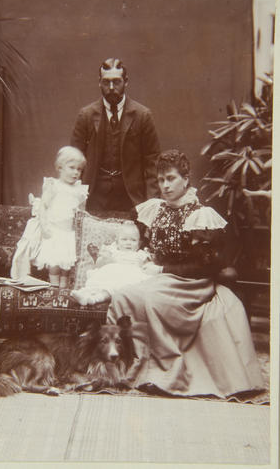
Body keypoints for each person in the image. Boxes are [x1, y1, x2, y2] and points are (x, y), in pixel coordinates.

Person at [107, 149, 264, 398]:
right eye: (161, 180)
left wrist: (162, 269)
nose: (165, 186)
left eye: (171, 179)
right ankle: (125, 367)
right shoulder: (155, 209)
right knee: (122, 296)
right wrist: (149, 259)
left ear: (185, 179)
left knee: (152, 300)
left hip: (192, 282)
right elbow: (152, 247)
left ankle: (164, 372)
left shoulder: (200, 215)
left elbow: (206, 267)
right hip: (160, 277)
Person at [71, 57, 161, 212]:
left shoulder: (142, 115)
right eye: (106, 82)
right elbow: (73, 161)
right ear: (99, 82)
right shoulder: (86, 115)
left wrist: (152, 205)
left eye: (116, 82)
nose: (111, 87)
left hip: (131, 198)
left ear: (126, 82)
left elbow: (153, 163)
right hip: (93, 197)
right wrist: (74, 199)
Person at [10, 146, 88, 288]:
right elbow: (43, 207)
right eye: (72, 168)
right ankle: (54, 285)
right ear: (60, 167)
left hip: (70, 232)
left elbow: (81, 212)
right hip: (55, 231)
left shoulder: (79, 190)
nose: (76, 172)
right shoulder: (54, 185)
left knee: (67, 261)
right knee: (55, 260)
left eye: (79, 169)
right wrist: (45, 226)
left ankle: (63, 286)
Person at [71, 221, 153, 305]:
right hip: (112, 274)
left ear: (139, 244)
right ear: (117, 242)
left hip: (128, 279)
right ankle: (83, 293)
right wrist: (104, 259)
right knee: (98, 283)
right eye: (124, 239)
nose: (128, 243)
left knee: (113, 287)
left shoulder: (140, 255)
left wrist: (145, 266)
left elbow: (150, 267)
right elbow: (98, 264)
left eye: (133, 240)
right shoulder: (112, 251)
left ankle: (95, 299)